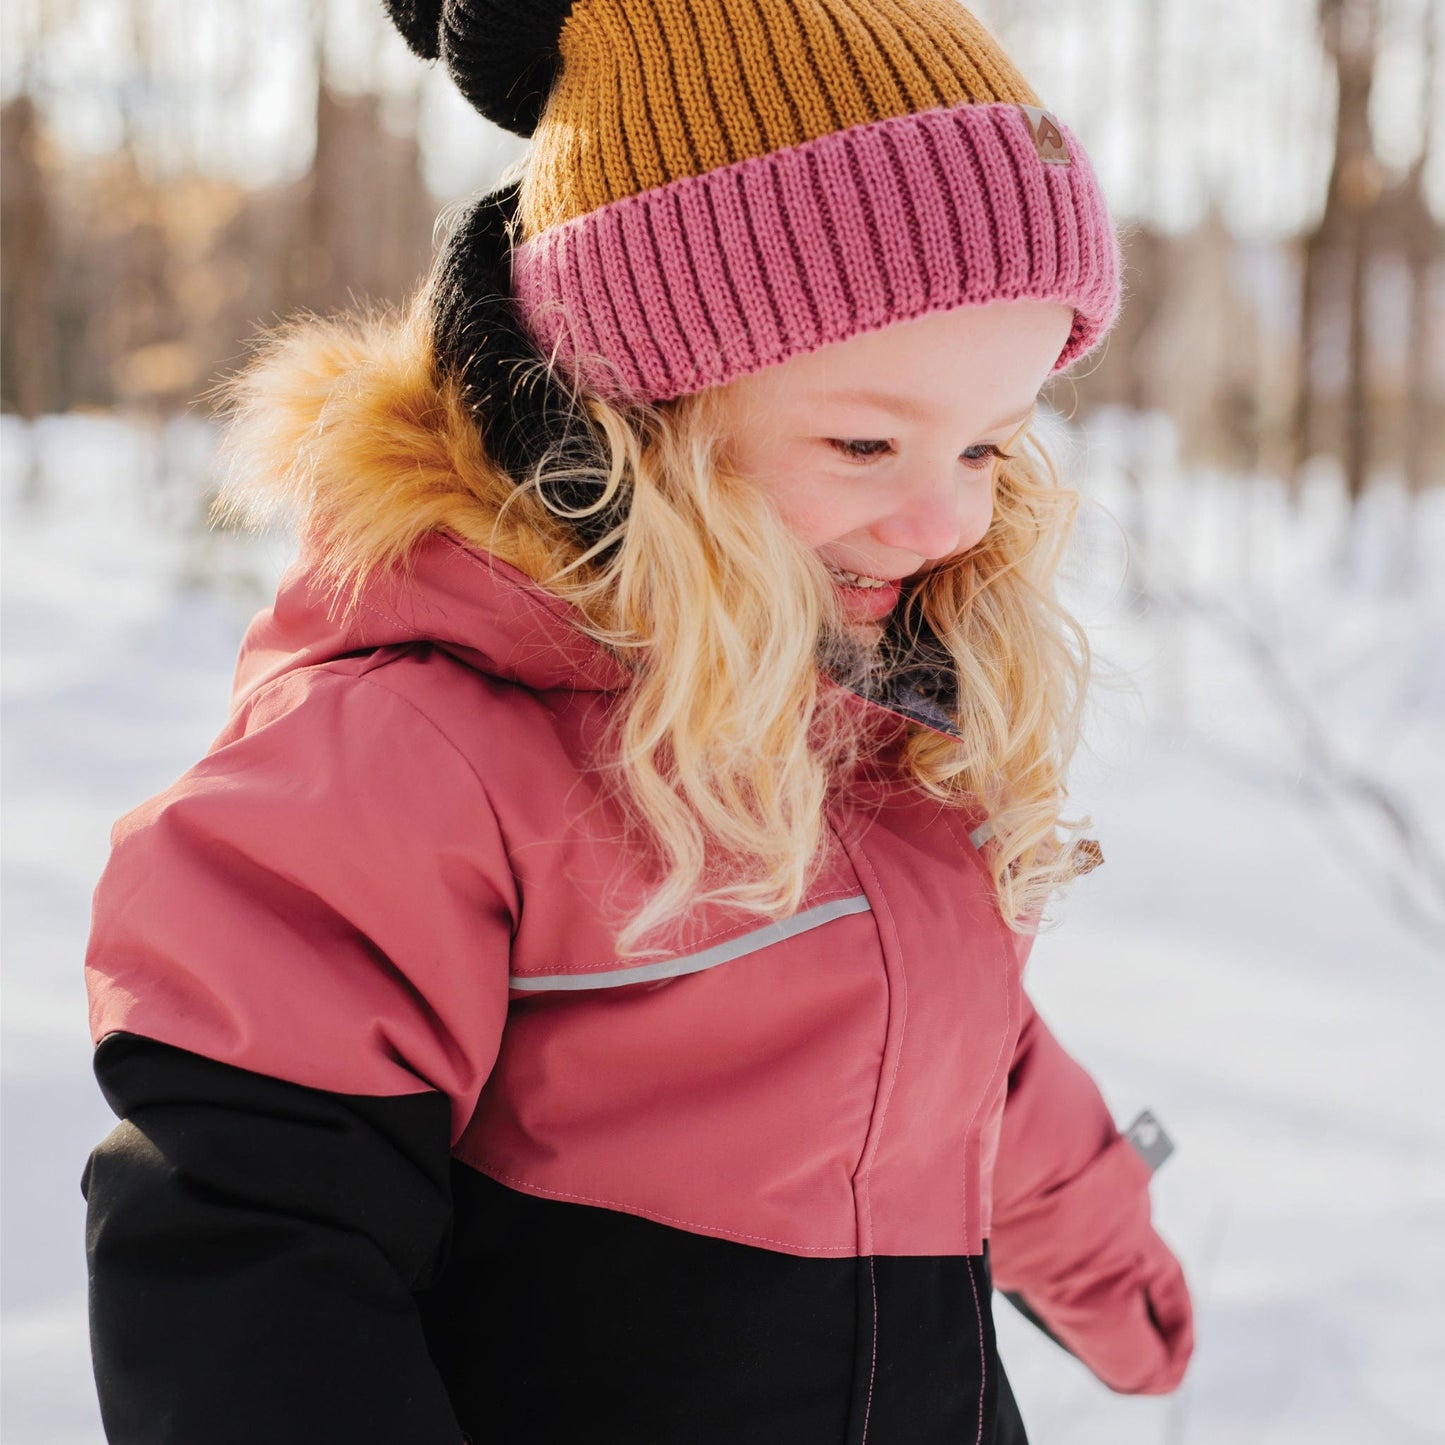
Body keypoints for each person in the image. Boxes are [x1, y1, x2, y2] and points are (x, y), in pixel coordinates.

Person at [80, 2, 1195, 1442]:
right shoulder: (420, 750)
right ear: (638, 407)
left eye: (987, 442)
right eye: (864, 442)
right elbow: (249, 1241)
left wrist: (1103, 1248)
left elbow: (950, 1042)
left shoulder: (858, 706)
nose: (945, 516)